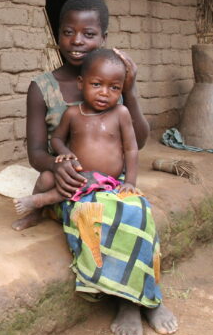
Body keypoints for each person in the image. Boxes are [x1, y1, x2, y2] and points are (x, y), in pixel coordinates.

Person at [14, 0, 177, 335]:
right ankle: (128, 302)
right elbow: (36, 153)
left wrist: (129, 92)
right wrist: (58, 168)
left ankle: (148, 299)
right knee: (101, 214)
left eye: (88, 34)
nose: (76, 41)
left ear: (104, 37)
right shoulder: (42, 87)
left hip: (112, 184)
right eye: (68, 32)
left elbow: (140, 141)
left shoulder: (114, 81)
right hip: (73, 185)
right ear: (57, 34)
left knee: (139, 212)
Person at [13, 49, 139, 216]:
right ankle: (35, 214)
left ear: (122, 89)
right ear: (81, 83)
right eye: (96, 84)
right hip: (75, 173)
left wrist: (130, 182)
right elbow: (57, 138)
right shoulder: (73, 113)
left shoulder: (121, 113)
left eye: (114, 88)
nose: (104, 92)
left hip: (105, 179)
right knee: (46, 178)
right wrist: (65, 153)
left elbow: (131, 148)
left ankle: (40, 200)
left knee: (87, 183)